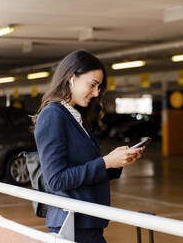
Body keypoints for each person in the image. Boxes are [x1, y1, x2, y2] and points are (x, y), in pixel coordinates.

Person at [32, 50, 143, 243]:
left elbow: (82, 167)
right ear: (72, 78)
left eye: (99, 87)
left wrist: (115, 163)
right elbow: (56, 180)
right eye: (92, 85)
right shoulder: (53, 115)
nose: (96, 93)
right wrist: (105, 162)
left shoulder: (74, 116)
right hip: (72, 225)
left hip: (86, 223)